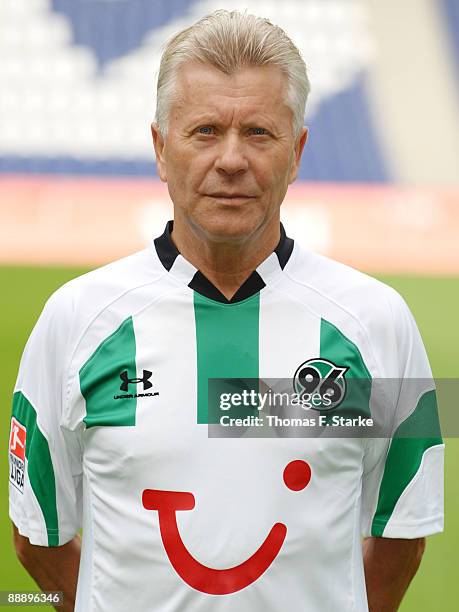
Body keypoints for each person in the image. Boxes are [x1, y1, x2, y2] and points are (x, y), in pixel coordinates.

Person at [9, 10, 443, 612]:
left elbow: (401, 537)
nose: (232, 159)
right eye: (206, 131)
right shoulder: (75, 321)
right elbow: (37, 538)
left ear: (297, 152)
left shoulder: (378, 323)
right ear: (162, 149)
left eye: (259, 133)